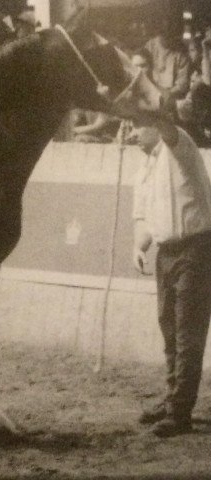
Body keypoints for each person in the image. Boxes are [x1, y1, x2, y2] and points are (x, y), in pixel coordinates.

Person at [132, 114, 211, 437]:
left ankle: (180, 412)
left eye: (138, 125)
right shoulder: (145, 166)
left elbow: (167, 126)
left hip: (197, 249)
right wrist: (139, 247)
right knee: (169, 328)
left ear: (155, 125)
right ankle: (172, 399)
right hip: (167, 252)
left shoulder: (180, 144)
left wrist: (142, 101)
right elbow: (144, 216)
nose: (133, 133)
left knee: (187, 332)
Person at [144, 21, 189, 101]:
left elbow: (182, 83)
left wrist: (168, 93)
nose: (164, 37)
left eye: (169, 35)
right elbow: (142, 69)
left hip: (172, 95)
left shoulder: (181, 51)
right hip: (150, 90)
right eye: (162, 34)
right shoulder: (150, 46)